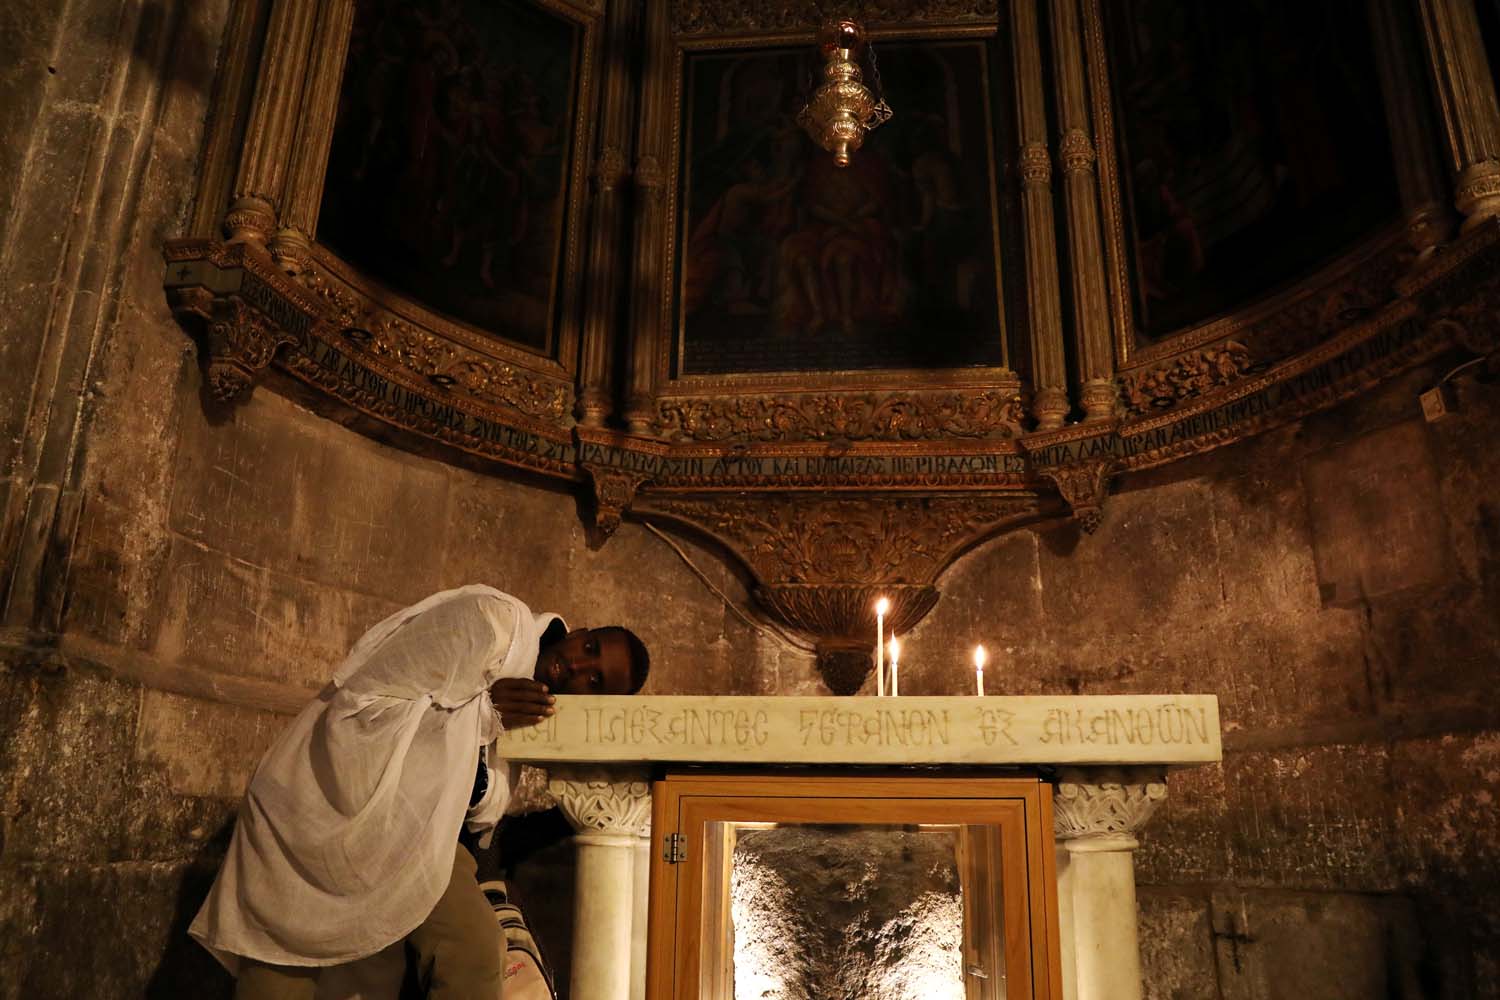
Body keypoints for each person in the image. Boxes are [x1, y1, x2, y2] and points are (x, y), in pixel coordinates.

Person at [188, 584, 650, 999]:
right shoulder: (492, 621)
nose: (578, 666)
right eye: (589, 647)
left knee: (471, 951)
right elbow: (364, 704)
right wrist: (484, 712)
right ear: (579, 630)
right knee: (280, 970)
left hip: (412, 841)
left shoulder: (531, 716)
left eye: (595, 681)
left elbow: (470, 812)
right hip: (320, 812)